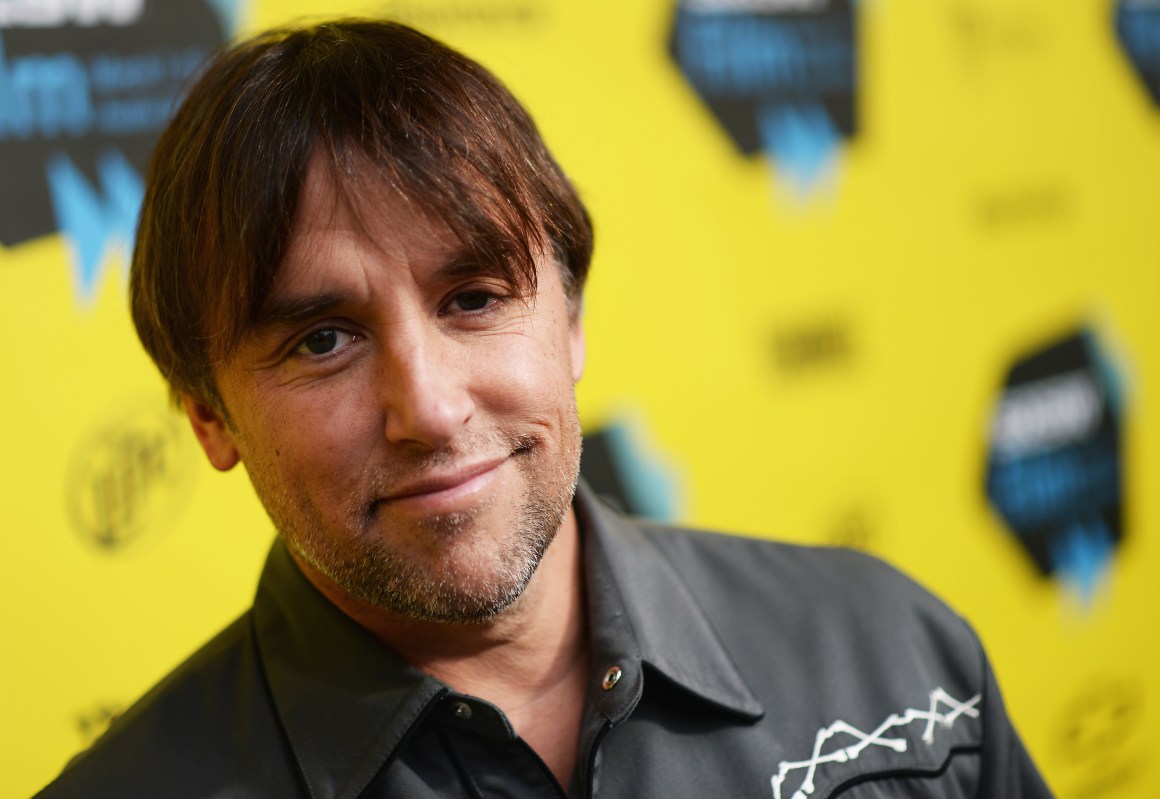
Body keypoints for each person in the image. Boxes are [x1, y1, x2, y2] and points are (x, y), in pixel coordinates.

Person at [36, 18, 1052, 799]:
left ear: (568, 321)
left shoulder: (892, 649)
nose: (428, 410)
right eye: (321, 340)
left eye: (471, 299)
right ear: (207, 415)